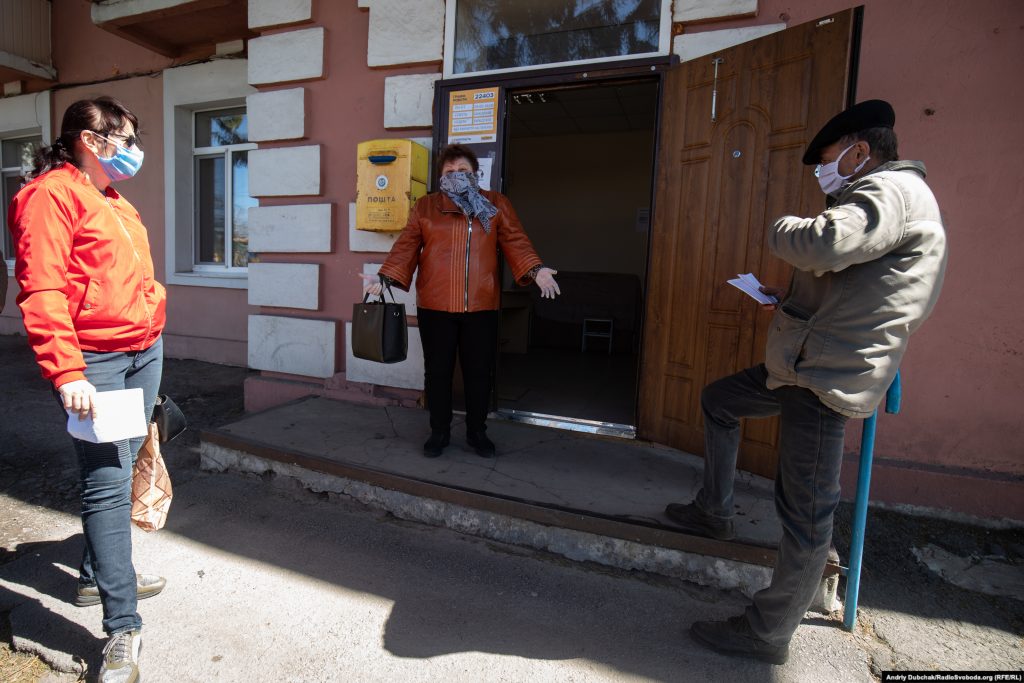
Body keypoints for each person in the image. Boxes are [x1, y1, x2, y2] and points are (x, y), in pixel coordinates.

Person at [663, 100, 947, 664]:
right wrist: (788, 299)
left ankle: (767, 633)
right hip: (803, 362)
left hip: (825, 379)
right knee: (719, 400)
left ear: (859, 152)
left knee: (806, 511)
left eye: (826, 160)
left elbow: (822, 244)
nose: (822, 172)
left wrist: (780, 224)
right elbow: (852, 279)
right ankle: (713, 510)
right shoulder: (890, 197)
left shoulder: (886, 192)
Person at [7, 97, 168, 682]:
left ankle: (97, 575)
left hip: (141, 352)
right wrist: (67, 371)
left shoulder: (113, 199)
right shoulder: (49, 195)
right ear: (89, 139)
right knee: (104, 482)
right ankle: (123, 629)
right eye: (123, 137)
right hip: (95, 362)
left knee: (125, 467)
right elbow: (42, 292)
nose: (132, 149)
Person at [361, 144, 560, 458]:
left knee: (479, 372)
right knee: (437, 373)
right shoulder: (426, 207)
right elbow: (406, 245)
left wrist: (536, 270)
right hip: (435, 306)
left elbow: (514, 239)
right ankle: (438, 432)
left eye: (463, 172)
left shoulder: (495, 204)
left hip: (481, 306)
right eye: (450, 172)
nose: (456, 177)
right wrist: (384, 276)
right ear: (441, 176)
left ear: (476, 173)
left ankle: (477, 432)